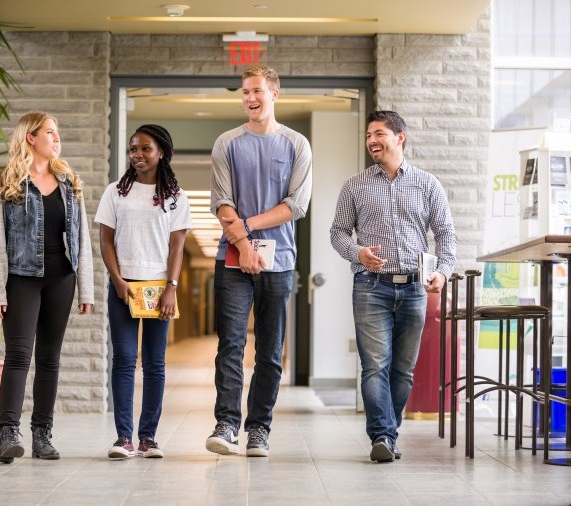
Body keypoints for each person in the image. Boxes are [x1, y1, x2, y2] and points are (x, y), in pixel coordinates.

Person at [330, 110, 456, 463]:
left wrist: (443, 272)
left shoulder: (428, 184)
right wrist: (358, 252)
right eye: (369, 134)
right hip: (370, 286)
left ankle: (389, 431)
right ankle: (382, 435)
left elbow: (445, 233)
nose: (372, 140)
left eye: (379, 133)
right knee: (375, 366)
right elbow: (338, 232)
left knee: (403, 369)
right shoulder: (354, 186)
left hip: (415, 288)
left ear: (400, 137)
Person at [205, 66, 312, 458]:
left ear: (274, 94)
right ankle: (227, 424)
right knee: (230, 345)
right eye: (245, 92)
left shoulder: (296, 144)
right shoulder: (227, 143)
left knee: (268, 350)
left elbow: (295, 206)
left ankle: (258, 429)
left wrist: (247, 230)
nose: (250, 98)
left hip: (279, 261)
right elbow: (221, 201)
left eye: (257, 92)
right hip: (231, 259)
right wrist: (244, 245)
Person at [0, 111, 94, 464]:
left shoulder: (68, 181)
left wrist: (86, 290)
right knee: (18, 356)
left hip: (62, 278)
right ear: (31, 137)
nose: (56, 137)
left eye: (57, 132)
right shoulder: (6, 181)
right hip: (21, 279)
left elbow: (82, 240)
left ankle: (42, 434)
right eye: (50, 131)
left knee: (50, 358)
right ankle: (8, 433)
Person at [95, 124, 191, 459]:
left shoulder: (176, 197)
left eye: (145, 148)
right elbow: (105, 240)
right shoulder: (116, 192)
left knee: (154, 363)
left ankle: (148, 437)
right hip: (123, 287)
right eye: (133, 149)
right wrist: (118, 280)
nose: (138, 155)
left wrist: (171, 288)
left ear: (161, 152)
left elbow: (177, 246)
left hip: (157, 288)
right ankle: (123, 438)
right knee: (123, 358)